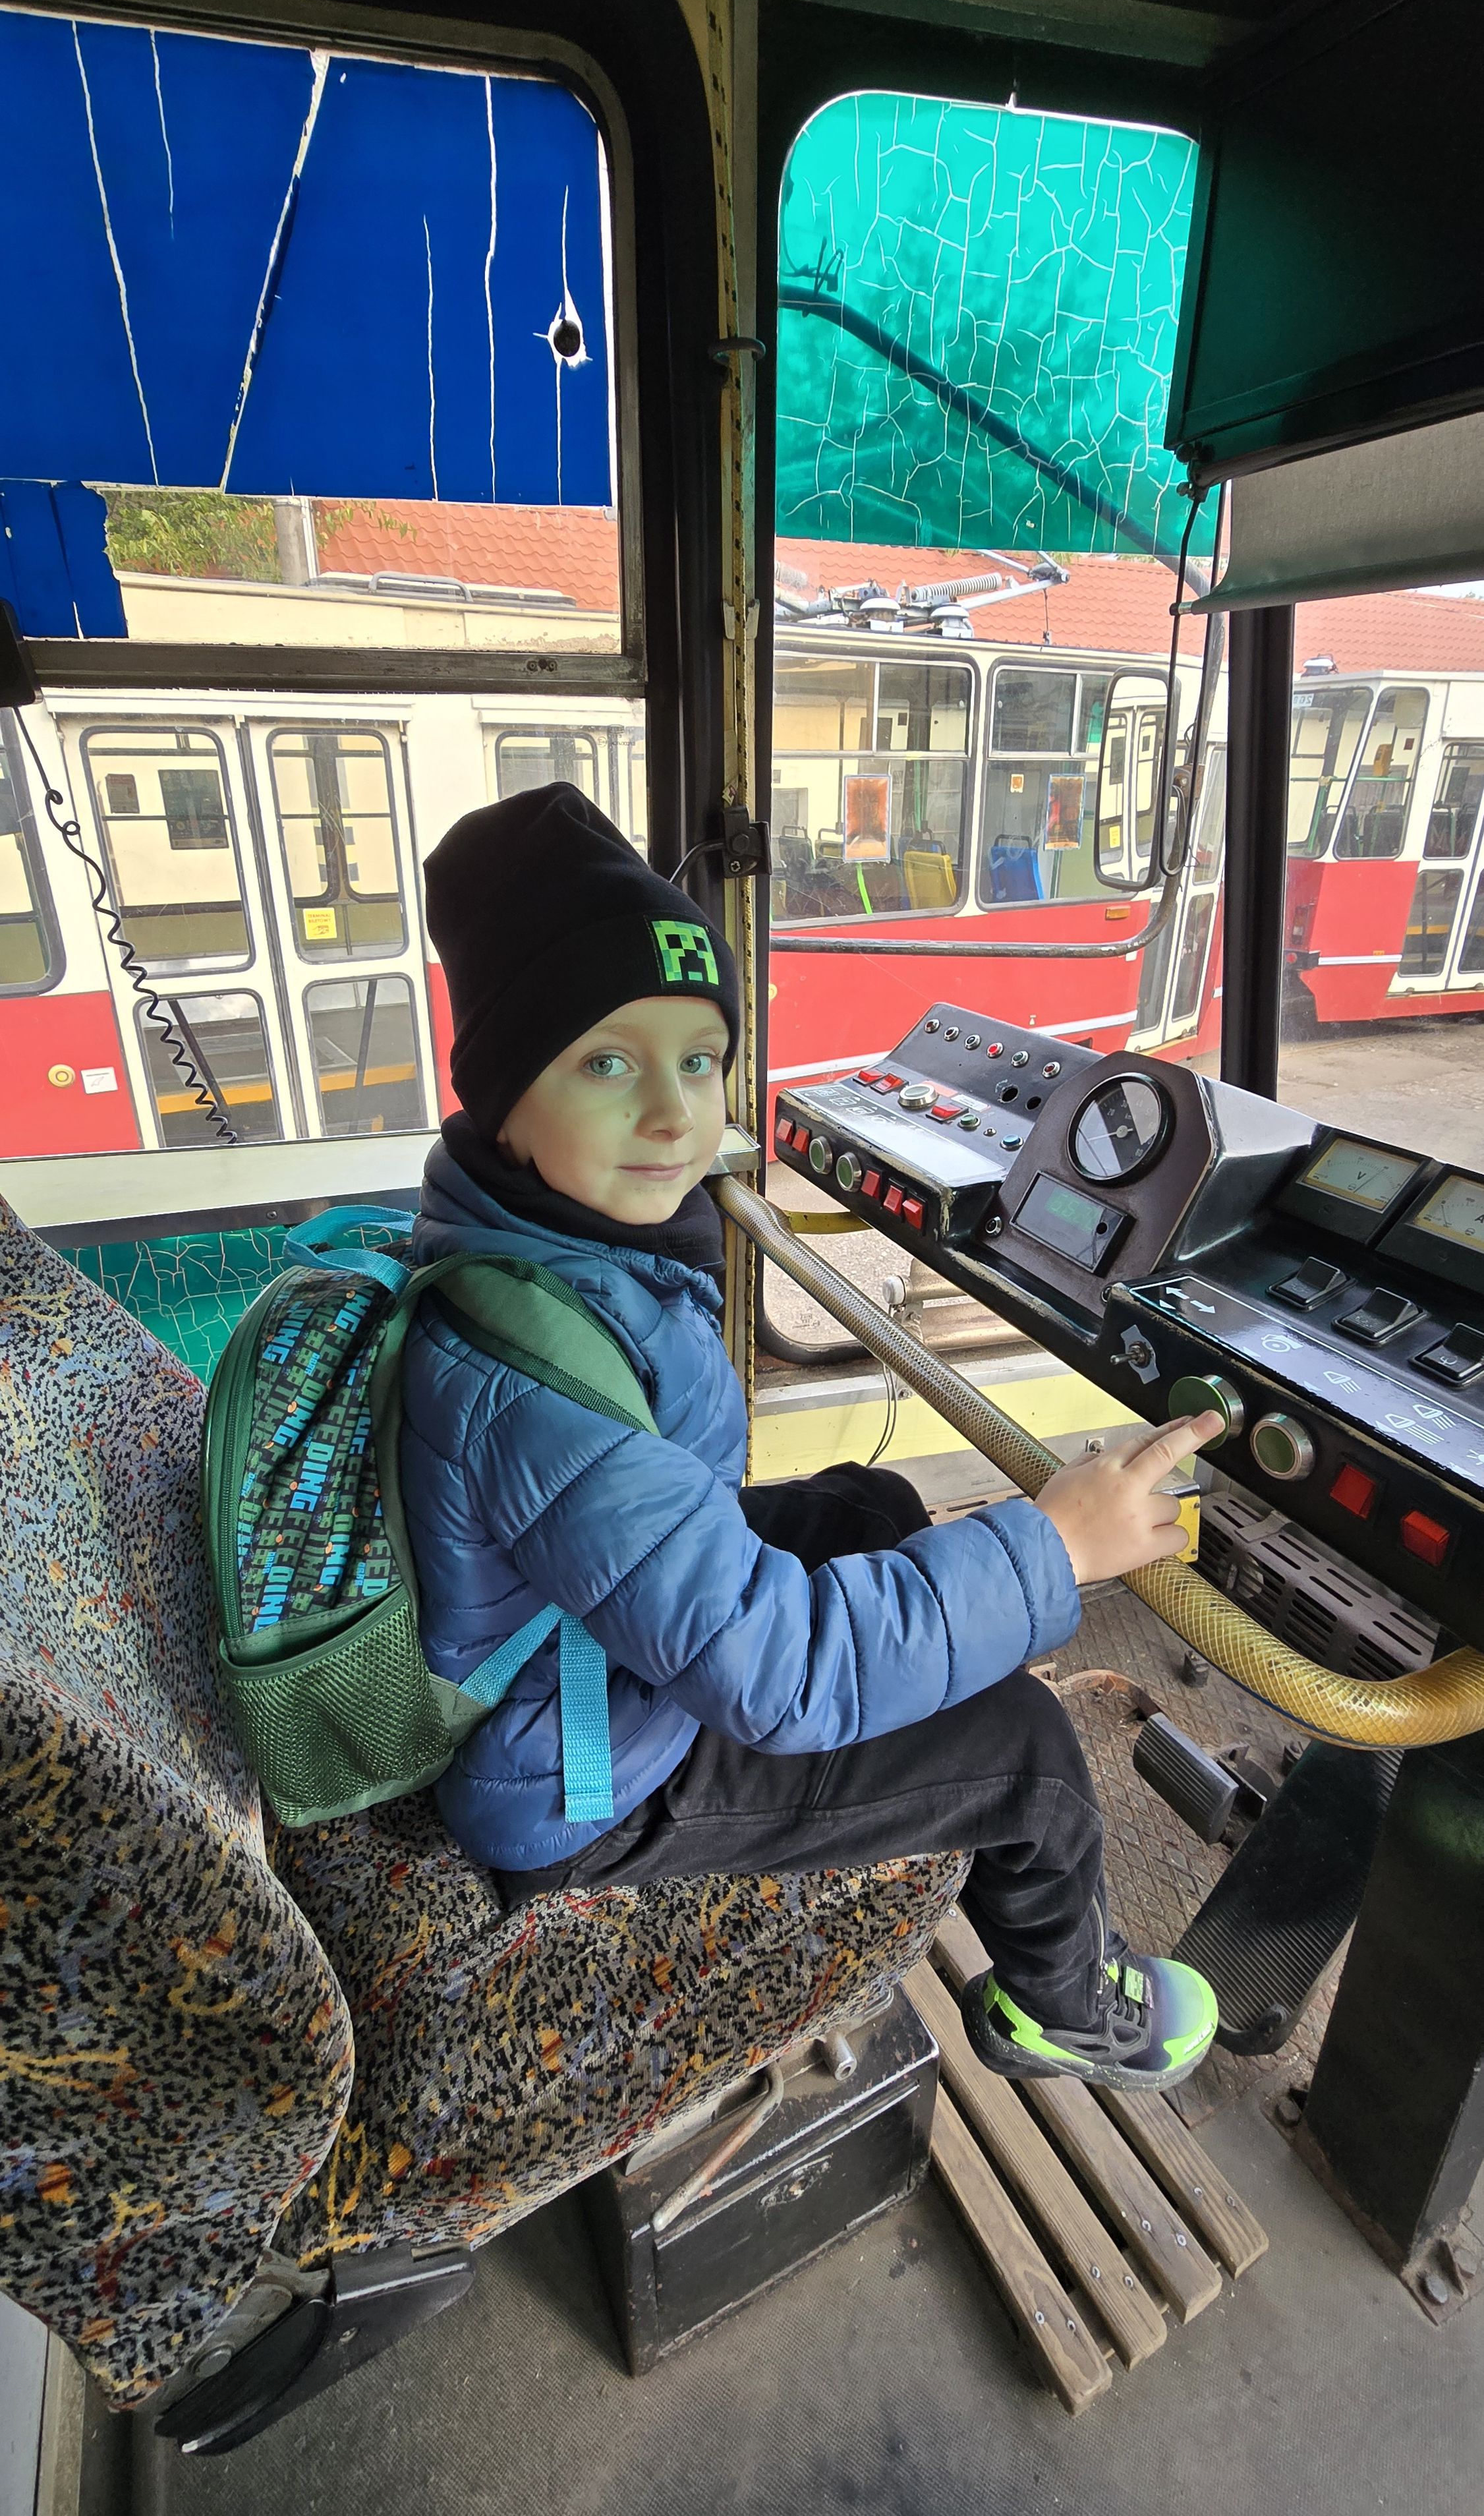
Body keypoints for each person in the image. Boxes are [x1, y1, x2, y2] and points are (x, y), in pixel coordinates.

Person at [400, 785, 1223, 2092]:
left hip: (576, 1660)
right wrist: (1056, 1549)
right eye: (606, 1064)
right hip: (581, 1777)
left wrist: (1005, 1562)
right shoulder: (532, 1375)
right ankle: (1066, 2007)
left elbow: (664, 1522)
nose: (675, 1116)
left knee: (866, 1505)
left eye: (698, 1059)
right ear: (503, 1097)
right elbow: (773, 1671)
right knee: (1028, 1752)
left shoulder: (542, 1243)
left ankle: (939, 1695)